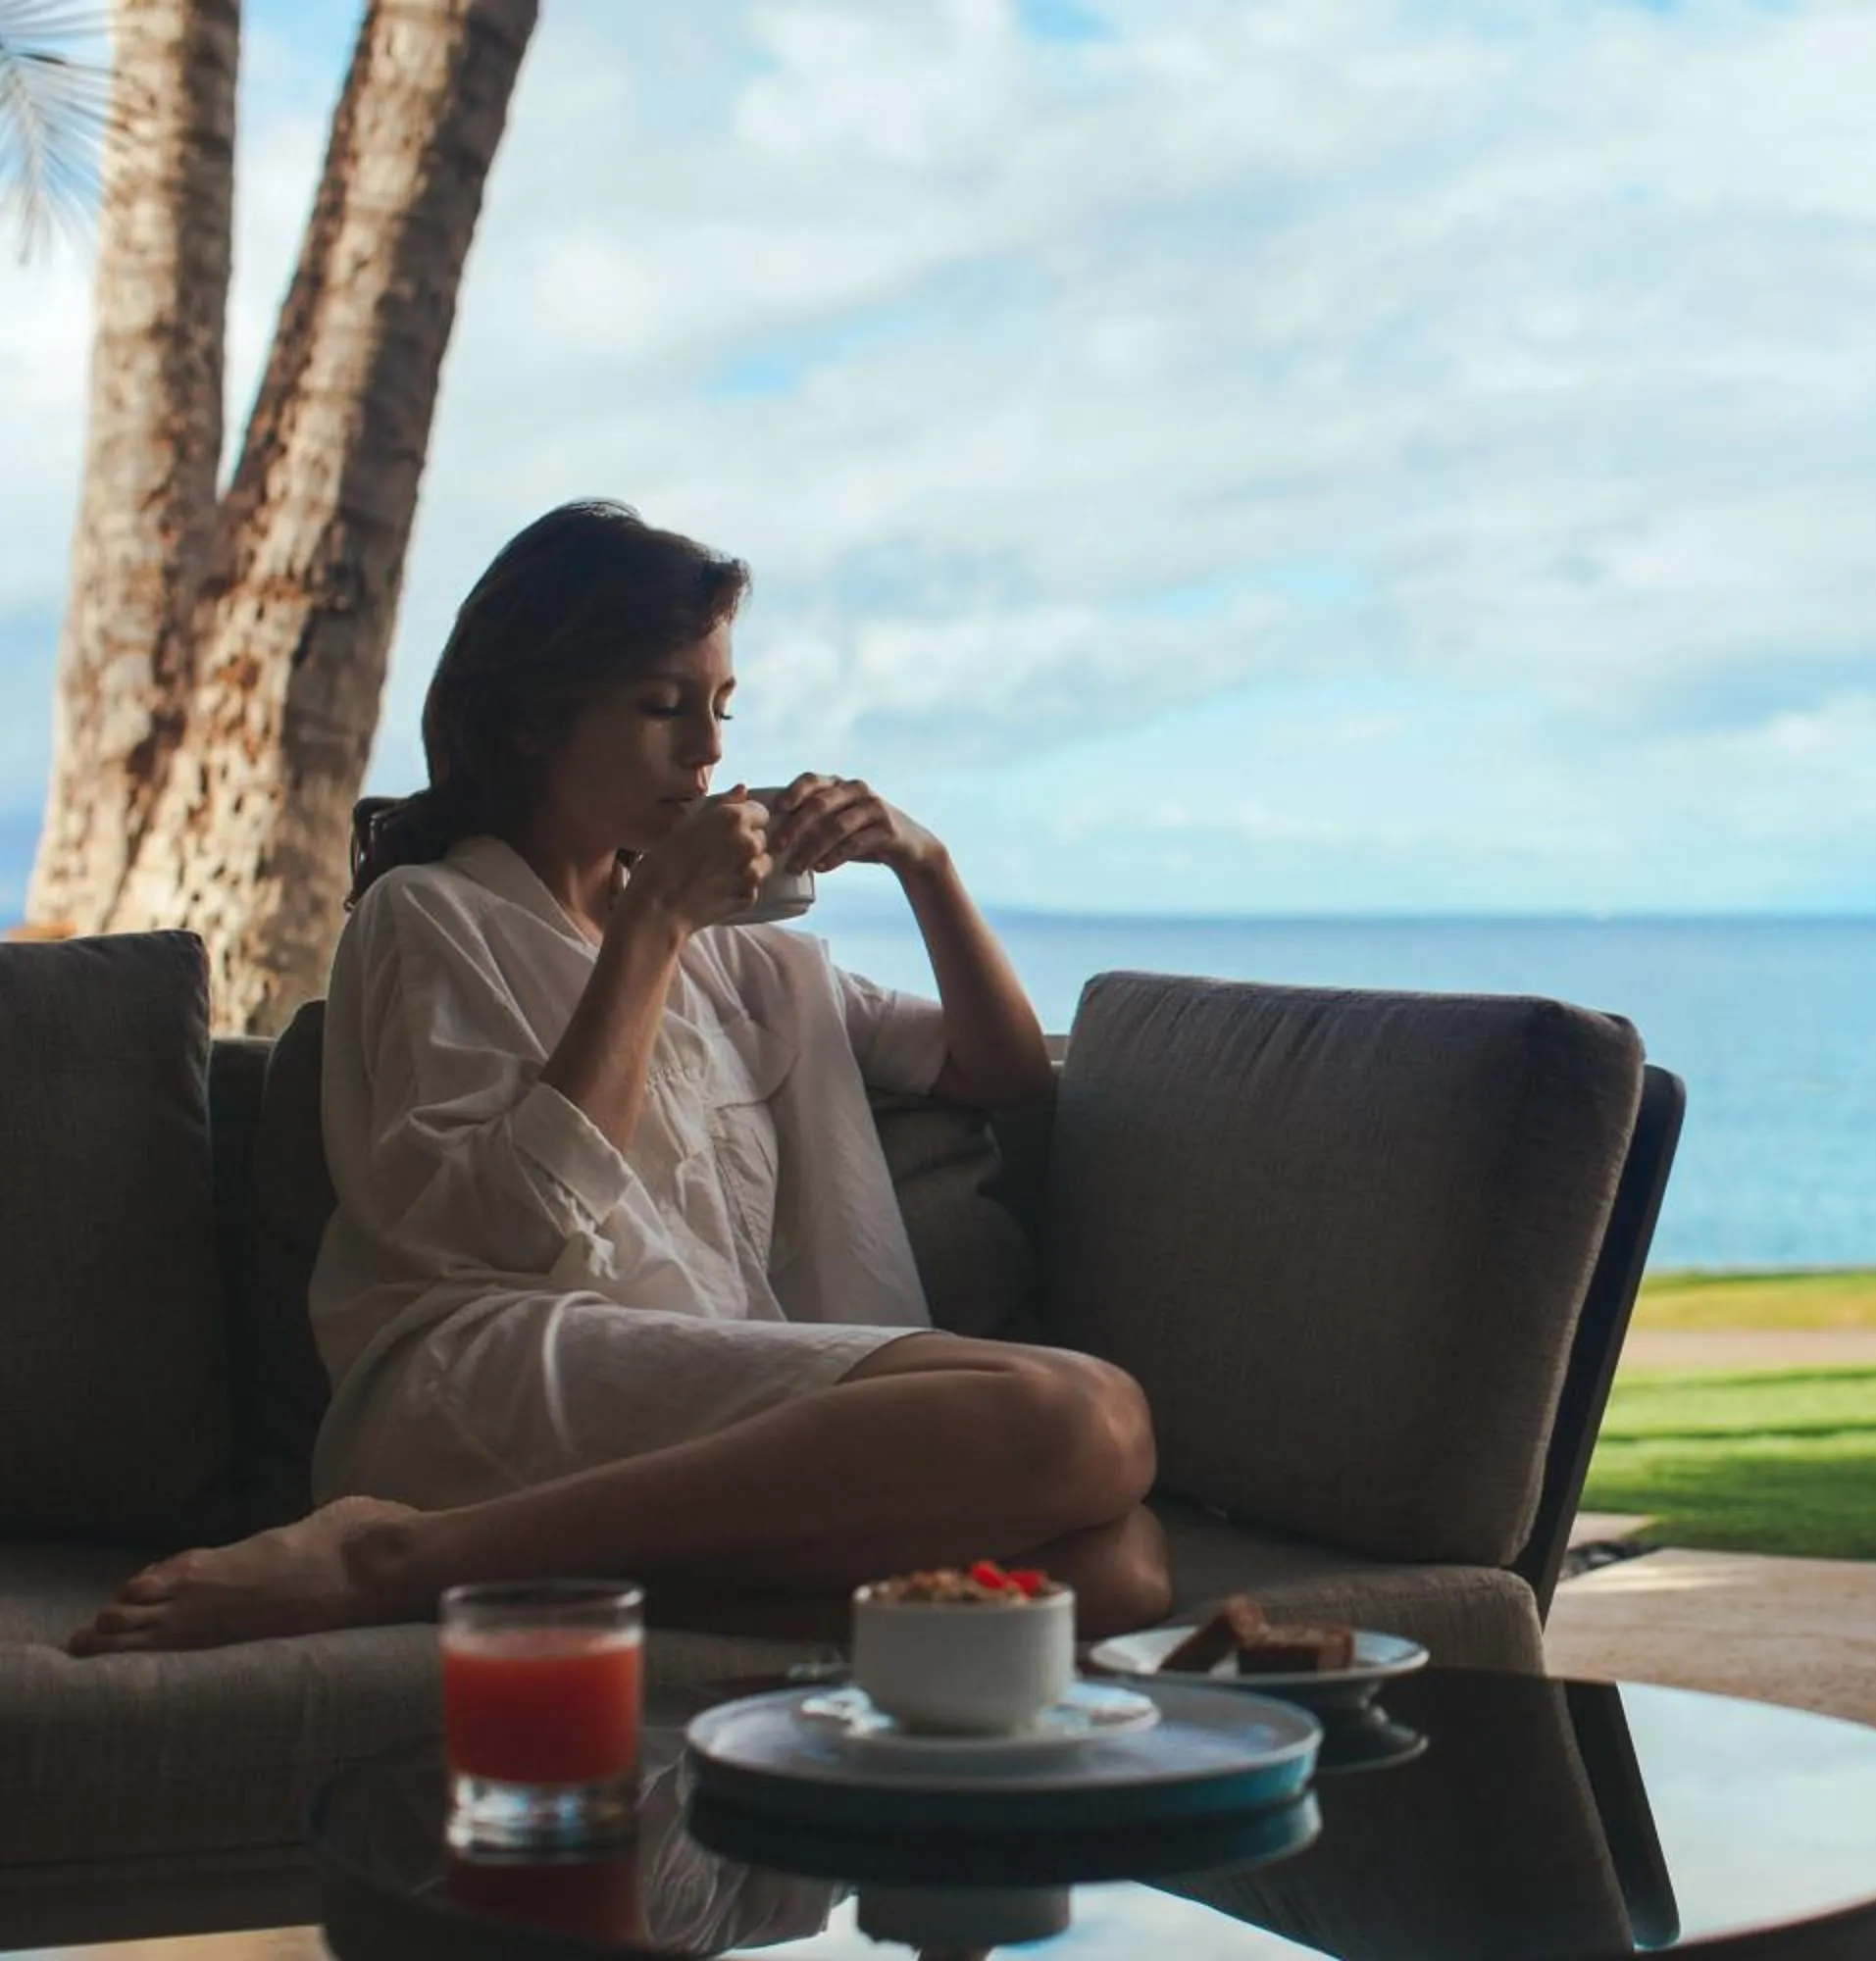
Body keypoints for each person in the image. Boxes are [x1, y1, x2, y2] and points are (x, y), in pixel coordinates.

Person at [68, 500, 1169, 1656]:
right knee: (1081, 1418)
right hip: (493, 1374)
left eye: (719, 709)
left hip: (681, 1409)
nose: (706, 751)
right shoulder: (432, 915)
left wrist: (924, 862)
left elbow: (1003, 1072)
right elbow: (507, 1222)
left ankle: (471, 1581)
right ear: (534, 719)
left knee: (1117, 1572)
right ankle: (396, 1546)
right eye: (662, 706)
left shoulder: (745, 959)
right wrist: (651, 919)